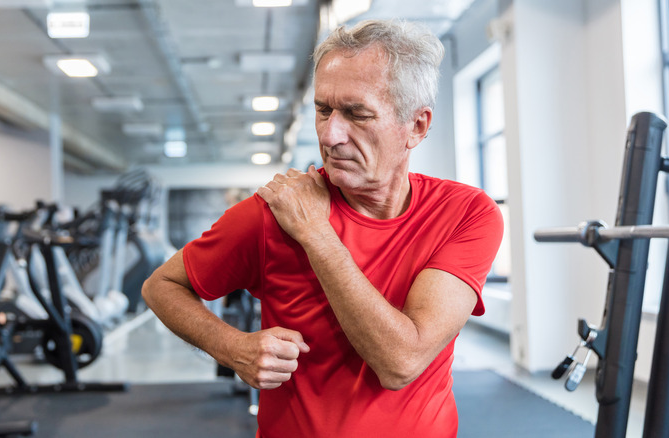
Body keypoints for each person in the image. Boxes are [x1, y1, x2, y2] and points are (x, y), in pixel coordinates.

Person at [142, 19, 504, 438]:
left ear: (417, 127)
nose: (331, 135)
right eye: (323, 109)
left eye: (356, 113)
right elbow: (161, 285)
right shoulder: (271, 213)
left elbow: (401, 362)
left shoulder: (465, 213)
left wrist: (316, 234)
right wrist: (231, 348)